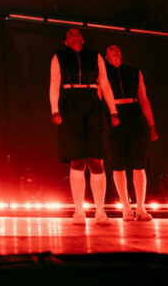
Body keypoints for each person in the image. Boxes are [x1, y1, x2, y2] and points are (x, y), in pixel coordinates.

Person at [49, 28, 120, 225]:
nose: (75, 35)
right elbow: (54, 84)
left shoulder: (95, 56)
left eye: (78, 33)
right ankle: (79, 210)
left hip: (93, 103)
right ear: (65, 41)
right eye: (70, 33)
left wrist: (113, 110)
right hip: (70, 105)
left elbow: (104, 83)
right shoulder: (59, 57)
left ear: (83, 39)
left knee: (97, 160)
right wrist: (54, 110)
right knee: (77, 160)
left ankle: (100, 211)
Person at [103, 44, 159, 221]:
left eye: (117, 48)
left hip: (134, 115)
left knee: (138, 163)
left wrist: (152, 125)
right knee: (117, 164)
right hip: (114, 116)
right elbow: (99, 97)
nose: (115, 50)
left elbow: (144, 99)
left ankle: (141, 207)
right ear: (106, 56)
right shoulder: (103, 73)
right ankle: (126, 207)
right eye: (111, 49)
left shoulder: (135, 72)